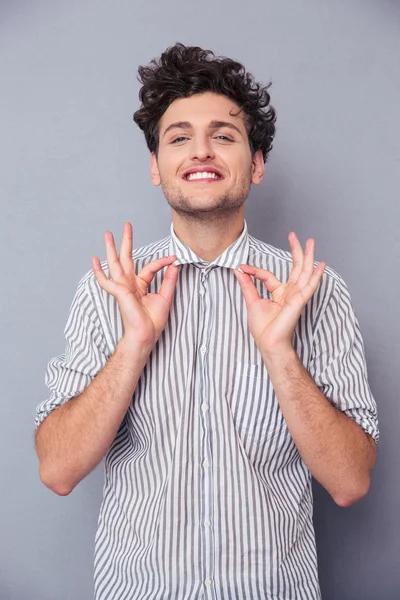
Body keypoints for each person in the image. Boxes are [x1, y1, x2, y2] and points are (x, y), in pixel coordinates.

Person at [34, 42, 378, 600]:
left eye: (223, 135)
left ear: (257, 163)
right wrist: (135, 344)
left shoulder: (314, 289)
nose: (201, 151)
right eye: (178, 138)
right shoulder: (109, 291)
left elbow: (350, 482)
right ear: (155, 167)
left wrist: (279, 353)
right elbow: (58, 470)